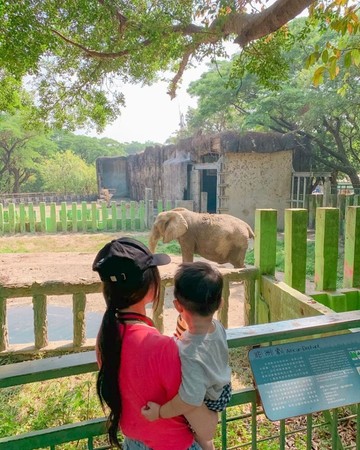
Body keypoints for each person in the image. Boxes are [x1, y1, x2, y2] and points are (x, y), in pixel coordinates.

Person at [93, 237, 218, 450]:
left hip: (133, 444)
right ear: (150, 285)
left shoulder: (105, 338)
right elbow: (206, 428)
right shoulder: (161, 347)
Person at [142, 261, 232, 450]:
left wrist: (161, 412)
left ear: (177, 306)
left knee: (201, 436)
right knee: (205, 438)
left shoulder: (188, 352)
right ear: (220, 304)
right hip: (223, 387)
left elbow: (190, 398)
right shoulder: (218, 328)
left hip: (210, 397)